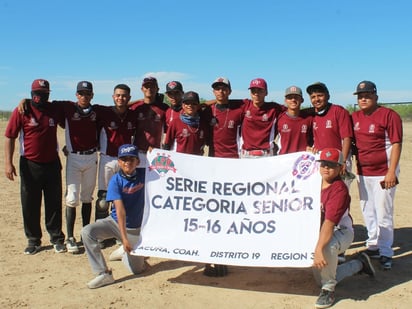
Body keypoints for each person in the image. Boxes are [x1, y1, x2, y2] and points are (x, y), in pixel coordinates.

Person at [4, 79, 66, 254]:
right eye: (37, 93)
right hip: (30, 164)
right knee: (30, 203)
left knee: (54, 202)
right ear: (32, 94)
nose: (41, 96)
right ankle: (33, 239)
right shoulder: (22, 110)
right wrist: (8, 163)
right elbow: (9, 136)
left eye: (44, 93)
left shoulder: (54, 109)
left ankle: (56, 238)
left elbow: (70, 122)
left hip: (52, 163)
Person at [313, 148, 375, 308]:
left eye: (331, 165)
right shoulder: (313, 183)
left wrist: (319, 248)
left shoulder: (339, 190)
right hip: (322, 230)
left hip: (341, 231)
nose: (326, 168)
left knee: (326, 248)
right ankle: (359, 264)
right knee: (320, 277)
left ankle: (328, 289)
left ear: (341, 167)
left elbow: (329, 223)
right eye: (323, 164)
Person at [351, 81, 402, 270]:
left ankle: (386, 251)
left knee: (384, 213)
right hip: (363, 171)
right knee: (367, 210)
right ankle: (373, 244)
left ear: (376, 97)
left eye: (367, 95)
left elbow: (396, 144)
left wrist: (391, 172)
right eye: (360, 96)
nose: (363, 98)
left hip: (383, 172)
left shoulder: (389, 115)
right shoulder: (354, 117)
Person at [81, 144, 146, 289]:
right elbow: (120, 211)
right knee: (87, 232)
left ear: (138, 161)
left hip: (134, 229)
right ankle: (103, 273)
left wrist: (155, 154)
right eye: (124, 159)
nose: (127, 162)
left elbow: (165, 170)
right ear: (118, 161)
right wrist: (123, 239)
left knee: (138, 270)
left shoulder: (145, 174)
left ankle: (124, 252)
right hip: (116, 223)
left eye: (131, 159)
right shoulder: (115, 180)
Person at [95, 84, 138, 248]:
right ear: (113, 97)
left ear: (129, 98)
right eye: (118, 95)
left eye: (125, 96)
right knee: (103, 199)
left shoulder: (132, 115)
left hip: (125, 161)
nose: (121, 98)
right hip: (107, 159)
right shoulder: (103, 111)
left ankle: (122, 234)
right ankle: (101, 235)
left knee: (123, 197)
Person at [305, 82, 353, 179]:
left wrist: (342, 161)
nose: (316, 99)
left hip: (338, 160)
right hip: (322, 161)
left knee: (340, 191)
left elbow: (347, 138)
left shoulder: (338, 111)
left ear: (328, 96)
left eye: (320, 95)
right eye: (313, 97)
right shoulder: (311, 114)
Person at [240, 78, 284, 158]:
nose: (256, 93)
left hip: (266, 155)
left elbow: (293, 111)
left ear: (266, 92)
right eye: (253, 91)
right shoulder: (245, 105)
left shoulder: (274, 108)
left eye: (260, 90)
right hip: (246, 155)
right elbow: (223, 101)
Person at [208, 77, 244, 158]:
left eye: (224, 89)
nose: (220, 91)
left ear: (230, 91)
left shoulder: (238, 111)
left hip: (233, 156)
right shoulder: (208, 111)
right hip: (213, 156)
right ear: (213, 92)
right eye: (217, 89)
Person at [275, 86, 313, 154]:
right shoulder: (279, 118)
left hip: (302, 160)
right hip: (283, 159)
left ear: (302, 100)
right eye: (290, 98)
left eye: (296, 97)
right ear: (285, 100)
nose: (293, 100)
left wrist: (311, 147)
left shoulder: (309, 119)